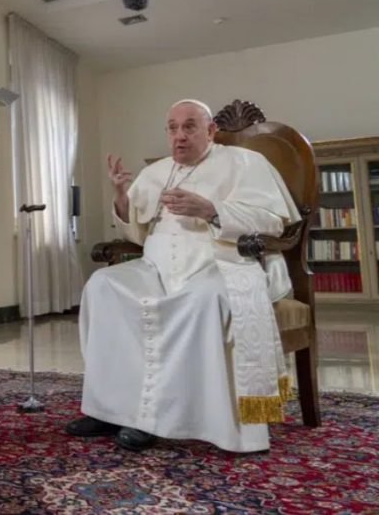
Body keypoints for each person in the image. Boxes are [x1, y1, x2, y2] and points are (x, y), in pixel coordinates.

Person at [66, 99, 301, 453]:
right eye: (173, 128)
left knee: (204, 299)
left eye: (190, 126)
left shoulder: (245, 163)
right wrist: (121, 198)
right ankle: (111, 408)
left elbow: (273, 223)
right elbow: (137, 234)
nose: (180, 136)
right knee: (103, 286)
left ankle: (163, 418)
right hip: (156, 267)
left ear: (210, 130)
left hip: (222, 262)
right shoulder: (156, 172)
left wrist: (213, 210)